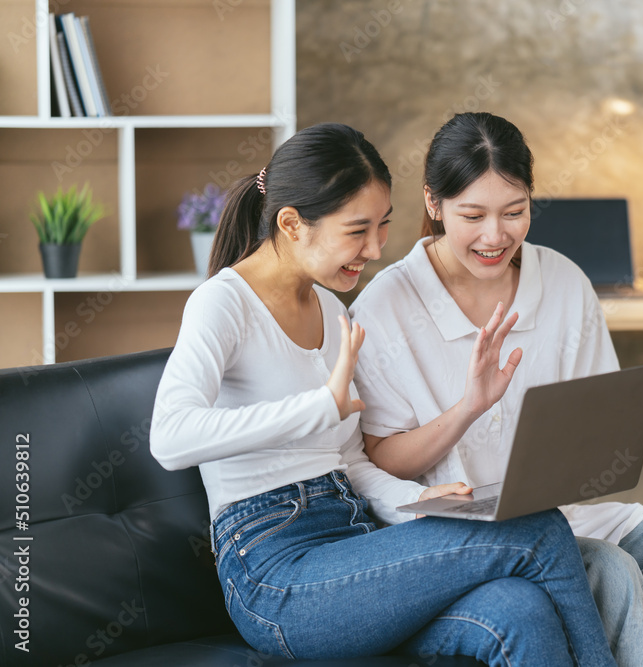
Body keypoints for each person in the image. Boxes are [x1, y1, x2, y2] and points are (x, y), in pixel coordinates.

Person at [148, 122, 616, 666]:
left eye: (383, 227)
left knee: (520, 609)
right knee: (537, 528)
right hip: (275, 575)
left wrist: (425, 503)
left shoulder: (330, 310)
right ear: (292, 224)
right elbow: (170, 437)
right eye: (357, 231)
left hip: (353, 538)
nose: (375, 249)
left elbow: (349, 462)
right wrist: (318, 407)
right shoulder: (222, 304)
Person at [349, 112, 643, 667]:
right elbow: (382, 459)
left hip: (567, 516)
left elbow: (598, 433)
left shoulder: (562, 282)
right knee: (613, 571)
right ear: (434, 204)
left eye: (514, 212)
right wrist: (468, 410)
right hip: (463, 536)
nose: (495, 236)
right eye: (472, 215)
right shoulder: (387, 306)